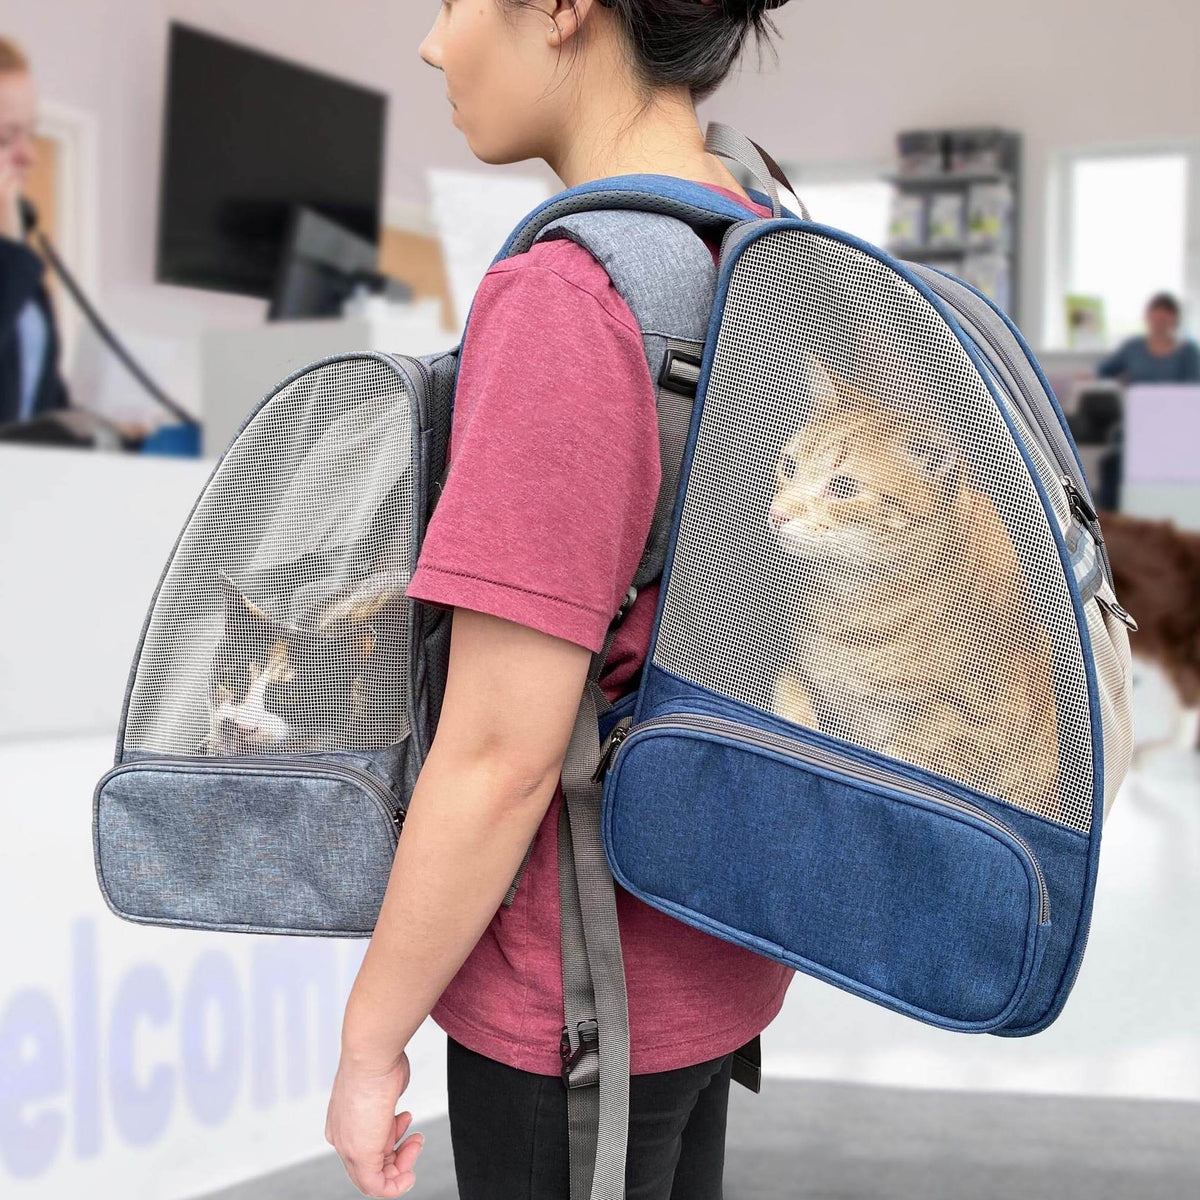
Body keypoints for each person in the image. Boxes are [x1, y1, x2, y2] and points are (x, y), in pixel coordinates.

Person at [322, 2, 796, 1197]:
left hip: (572, 1008)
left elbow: (500, 755)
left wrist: (370, 1039)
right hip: (712, 953)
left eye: (448, 3)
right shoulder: (758, 238)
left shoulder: (570, 297)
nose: (432, 44)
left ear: (560, 9)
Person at [0, 35, 71, 425]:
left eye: (30, 133)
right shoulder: (12, 260)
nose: (28, 155)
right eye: (5, 138)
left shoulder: (18, 258)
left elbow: (42, 402)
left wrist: (107, 433)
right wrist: (9, 254)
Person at [1095, 292, 1200, 384]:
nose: (1160, 319)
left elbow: (1194, 386)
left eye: (1166, 315)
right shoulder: (1132, 346)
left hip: (1178, 405)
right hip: (1138, 404)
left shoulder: (1189, 350)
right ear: (1147, 316)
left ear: (1176, 318)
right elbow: (1104, 371)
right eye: (1156, 314)